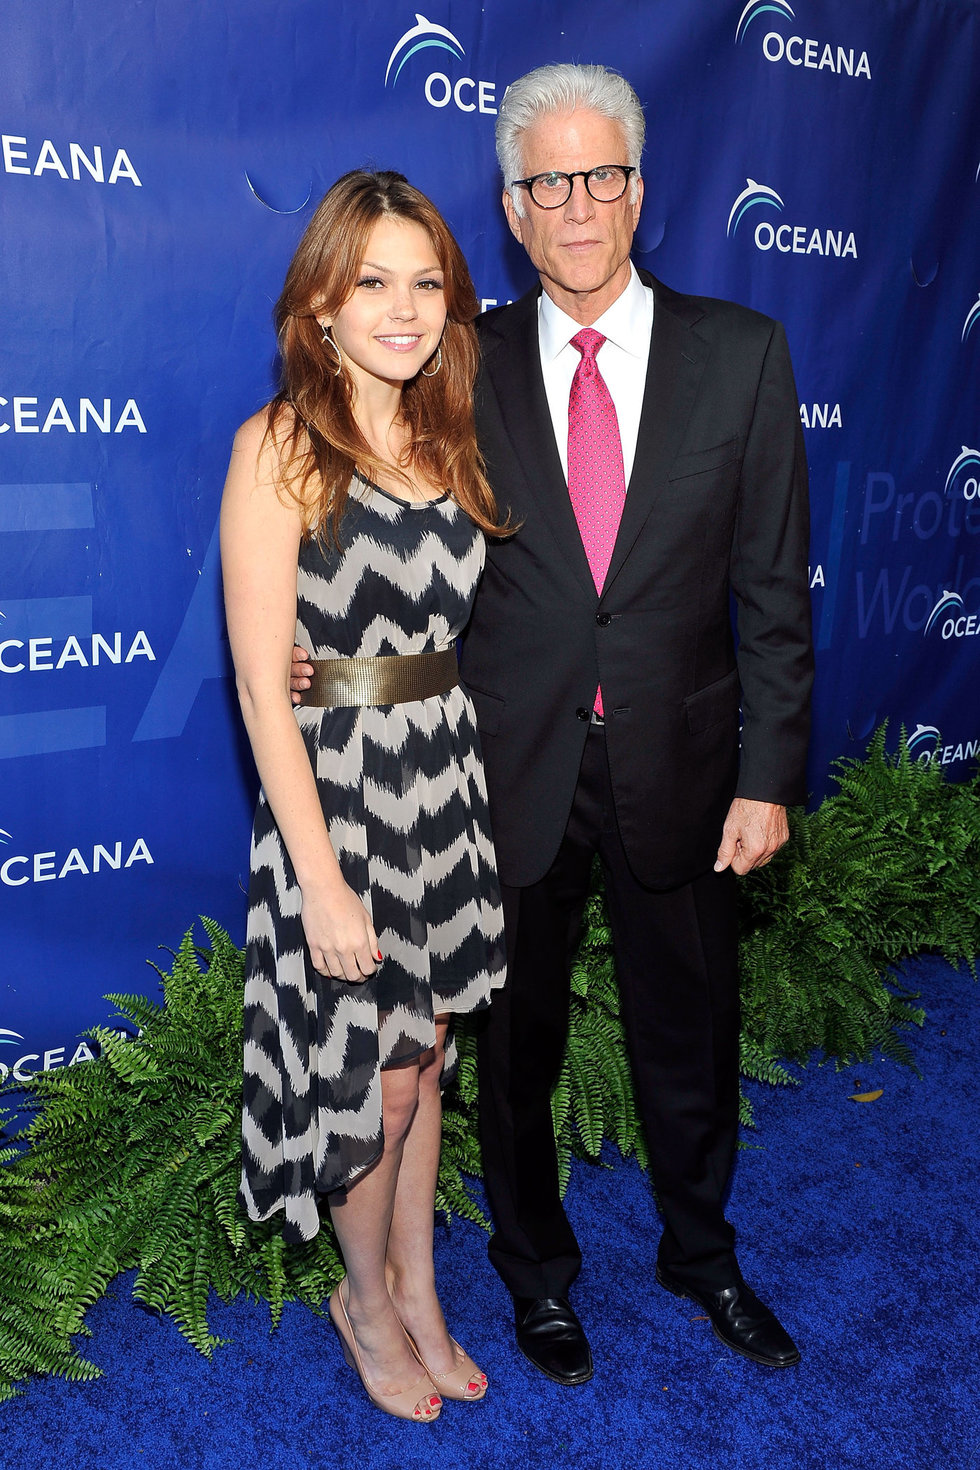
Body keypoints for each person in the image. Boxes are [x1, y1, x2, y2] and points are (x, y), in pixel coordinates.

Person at [292, 64, 814, 1383]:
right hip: (497, 769)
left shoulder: (743, 354)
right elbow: (363, 496)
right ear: (514, 212)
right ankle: (536, 1277)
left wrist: (769, 775)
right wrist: (328, 665)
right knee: (511, 1052)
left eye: (600, 176)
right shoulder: (457, 362)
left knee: (686, 1034)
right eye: (545, 184)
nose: (576, 205)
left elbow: (771, 589)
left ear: (638, 191)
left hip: (686, 762)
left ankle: (705, 1255)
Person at [221, 169, 509, 1421]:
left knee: (429, 1062)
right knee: (373, 1081)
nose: (403, 307)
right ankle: (365, 1302)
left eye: (426, 281)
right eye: (372, 282)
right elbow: (255, 689)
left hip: (441, 777)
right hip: (336, 795)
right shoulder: (278, 445)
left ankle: (419, 1286)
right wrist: (323, 883)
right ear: (320, 306)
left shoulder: (448, 432)